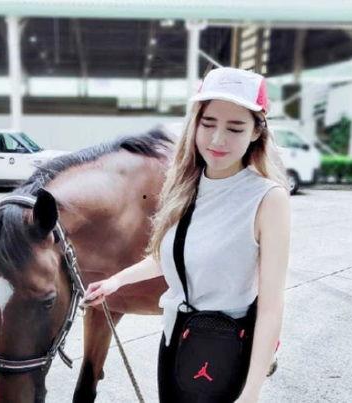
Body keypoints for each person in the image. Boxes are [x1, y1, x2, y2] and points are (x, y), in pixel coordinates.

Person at [82, 67, 291, 402]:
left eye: (235, 127)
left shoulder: (267, 199)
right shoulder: (185, 185)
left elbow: (270, 306)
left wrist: (251, 393)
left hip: (224, 345)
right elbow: (172, 255)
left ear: (256, 131)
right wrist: (115, 282)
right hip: (175, 339)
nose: (217, 139)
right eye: (208, 124)